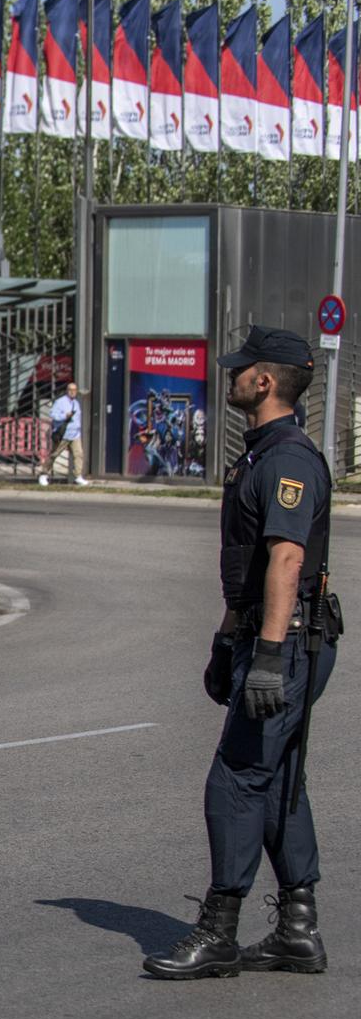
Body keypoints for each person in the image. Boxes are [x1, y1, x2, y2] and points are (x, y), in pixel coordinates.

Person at [144, 326, 339, 980]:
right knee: (277, 778)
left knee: (235, 778)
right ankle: (297, 930)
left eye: (239, 369)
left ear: (263, 382)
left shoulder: (286, 458)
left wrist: (269, 656)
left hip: (290, 640)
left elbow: (286, 559)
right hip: (271, 634)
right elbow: (251, 568)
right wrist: (230, 639)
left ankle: (220, 930)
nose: (229, 377)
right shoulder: (262, 454)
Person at [39, 380, 88, 486]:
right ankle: (43, 474)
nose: (72, 392)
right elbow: (53, 415)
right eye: (70, 390)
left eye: (74, 390)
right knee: (54, 454)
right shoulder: (60, 402)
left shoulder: (76, 403)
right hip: (63, 434)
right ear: (67, 391)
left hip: (75, 435)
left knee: (78, 454)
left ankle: (78, 476)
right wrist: (64, 416)